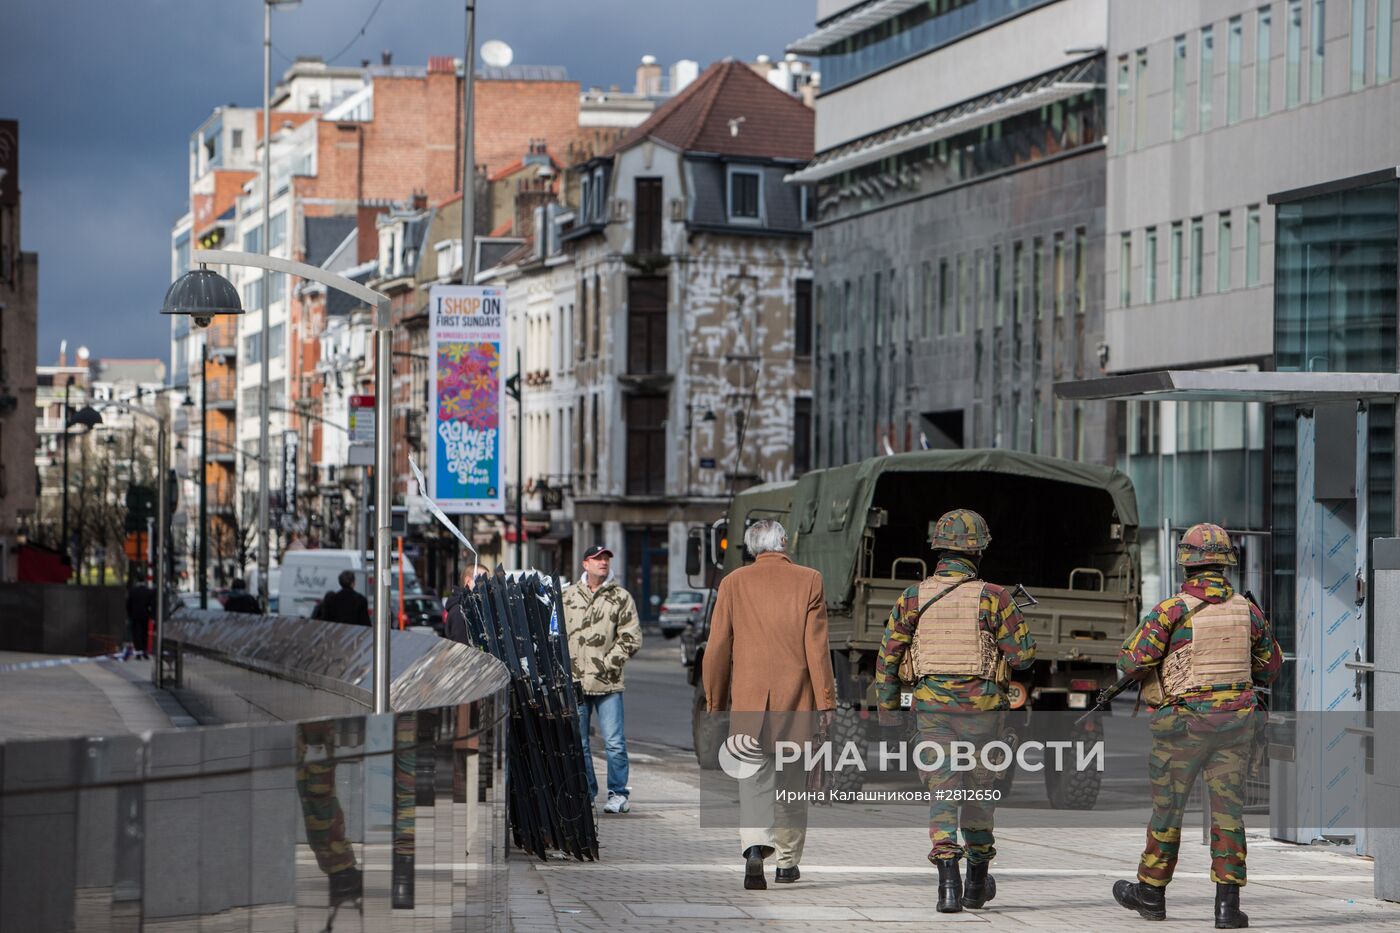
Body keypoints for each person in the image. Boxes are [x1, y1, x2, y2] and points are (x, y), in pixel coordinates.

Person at [1111, 523, 1280, 928]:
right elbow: (1271, 669)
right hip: (1236, 726)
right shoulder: (1248, 611)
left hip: (1183, 727)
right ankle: (1227, 907)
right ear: (1226, 564)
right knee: (1228, 813)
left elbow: (1131, 663)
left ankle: (1150, 894)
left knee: (1168, 809)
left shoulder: (1171, 610)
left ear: (1186, 563)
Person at [874, 508, 1036, 913]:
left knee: (943, 793)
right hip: (984, 714)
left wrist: (890, 713)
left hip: (932, 713)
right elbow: (1025, 657)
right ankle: (976, 885)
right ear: (979, 551)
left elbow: (888, 659)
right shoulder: (995, 597)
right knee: (980, 793)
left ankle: (948, 884)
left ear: (938, 551)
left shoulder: (913, 597)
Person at [703, 520, 836, 891]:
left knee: (754, 782)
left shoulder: (732, 583)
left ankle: (753, 849)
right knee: (792, 785)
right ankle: (788, 864)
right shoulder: (810, 579)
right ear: (784, 542)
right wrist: (825, 701)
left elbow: (716, 650)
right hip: (796, 702)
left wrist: (715, 701)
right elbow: (817, 648)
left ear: (751, 548)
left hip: (748, 702)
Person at [562, 544, 642, 814]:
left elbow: (631, 637)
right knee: (580, 743)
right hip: (575, 681)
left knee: (614, 742)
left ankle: (618, 793)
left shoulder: (621, 597)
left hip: (608, 682)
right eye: (597, 559)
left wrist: (609, 663)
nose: (603, 562)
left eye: (606, 558)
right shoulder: (568, 596)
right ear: (585, 564)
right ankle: (587, 792)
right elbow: (556, 634)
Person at [125, 579, 154, 658]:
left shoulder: (133, 591)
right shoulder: (148, 591)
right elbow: (151, 604)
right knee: (144, 634)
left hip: (135, 615)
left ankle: (138, 652)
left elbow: (128, 604)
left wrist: (129, 614)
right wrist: (151, 615)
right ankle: (144, 651)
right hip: (145, 615)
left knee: (136, 633)